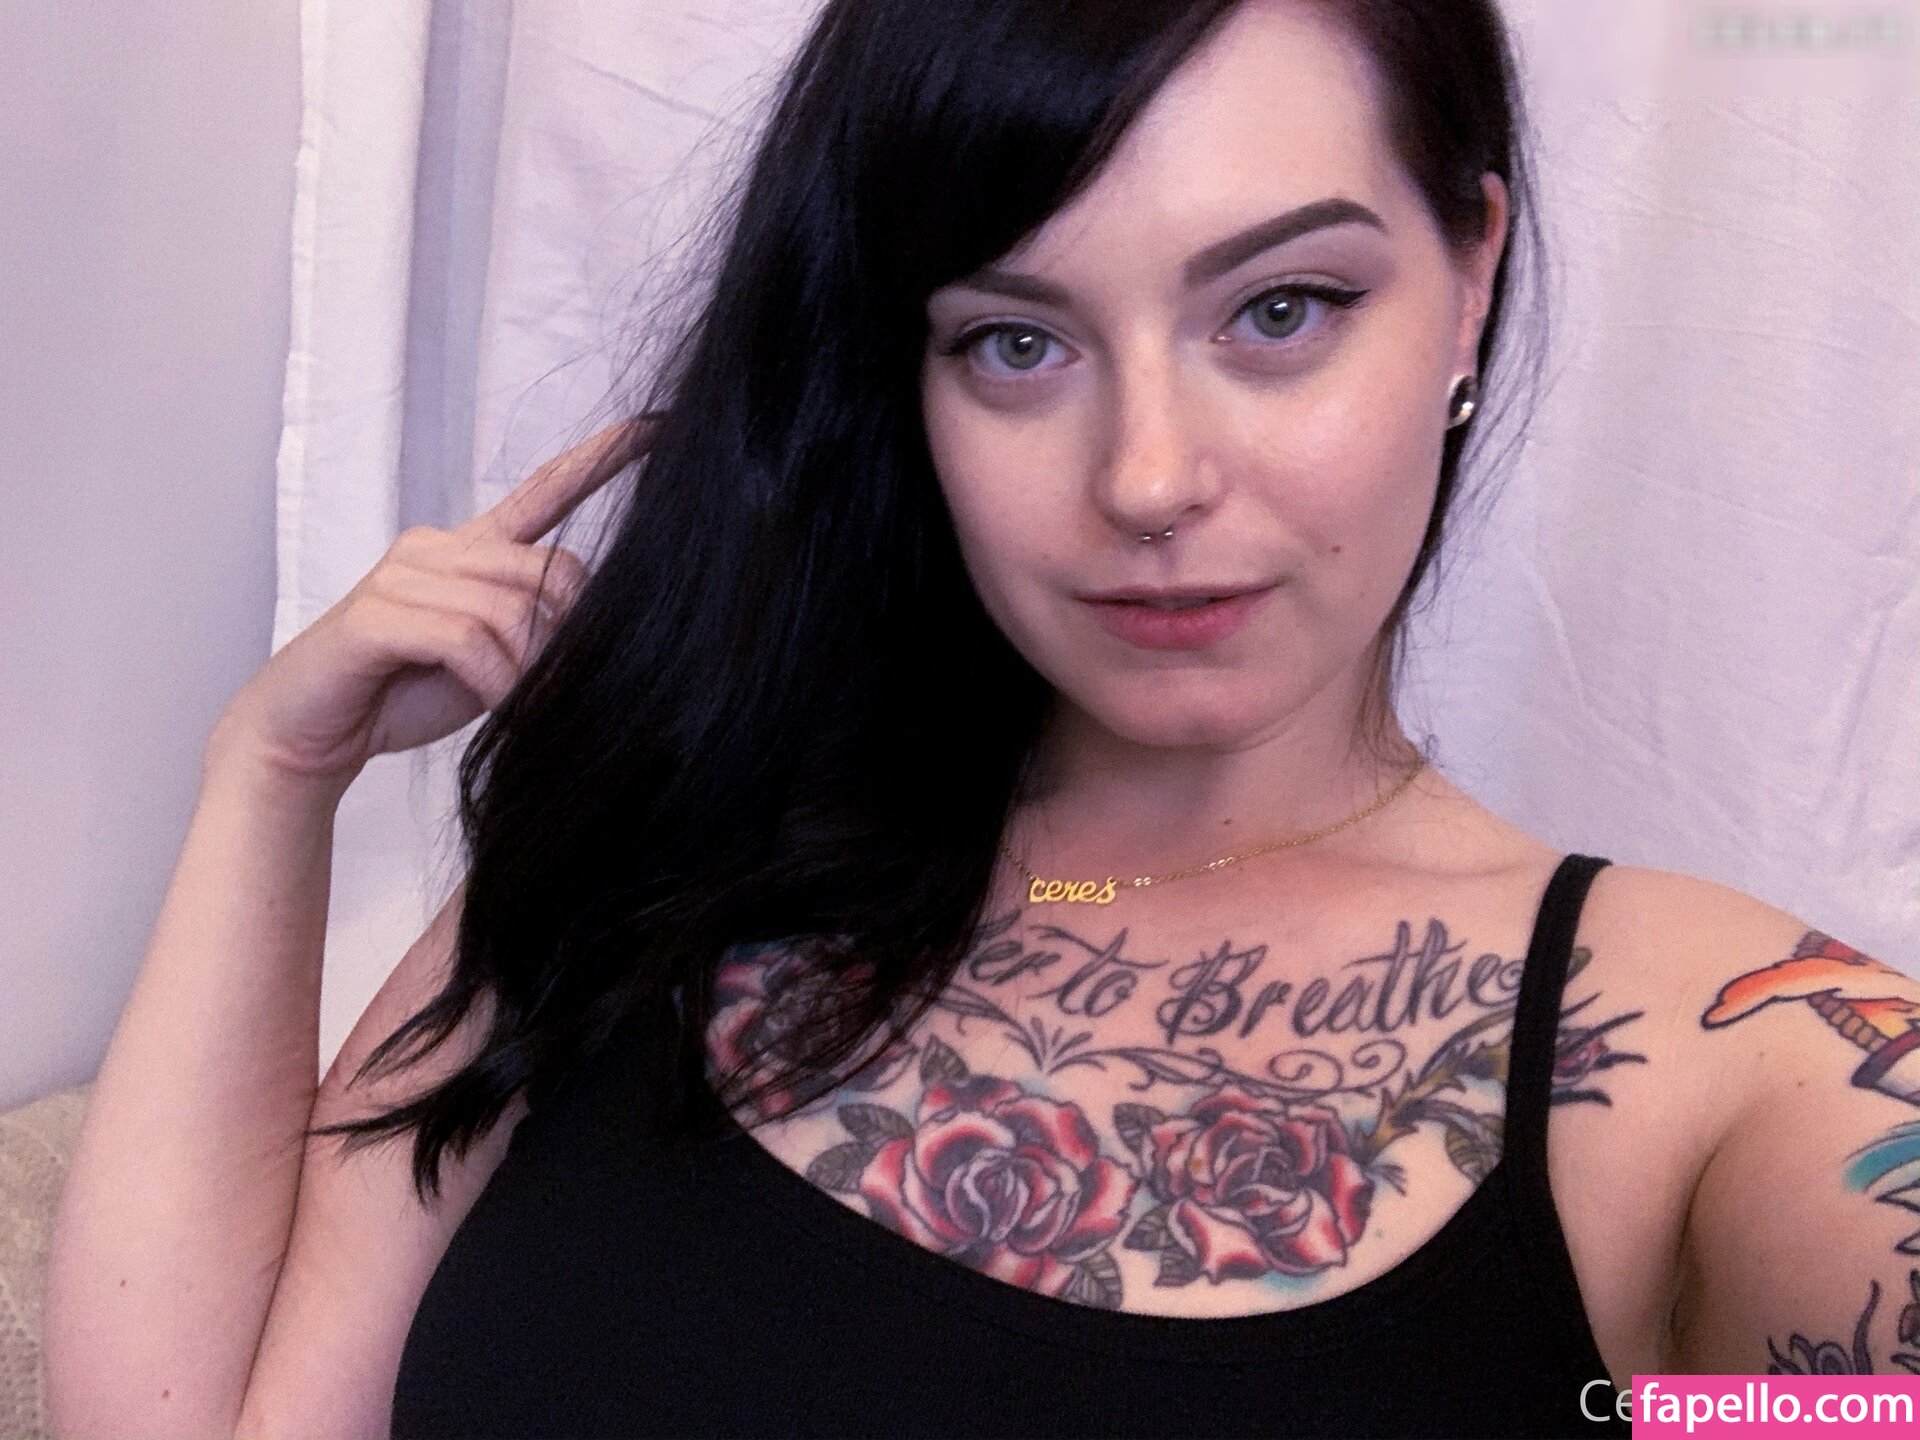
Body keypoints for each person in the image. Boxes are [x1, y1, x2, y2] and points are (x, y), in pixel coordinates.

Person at [45, 0, 1918, 1437]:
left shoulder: (1711, 1057)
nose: (1148, 476)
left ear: (1467, 283)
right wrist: (271, 775)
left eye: (1281, 309)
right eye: (1017, 342)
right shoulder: (660, 860)